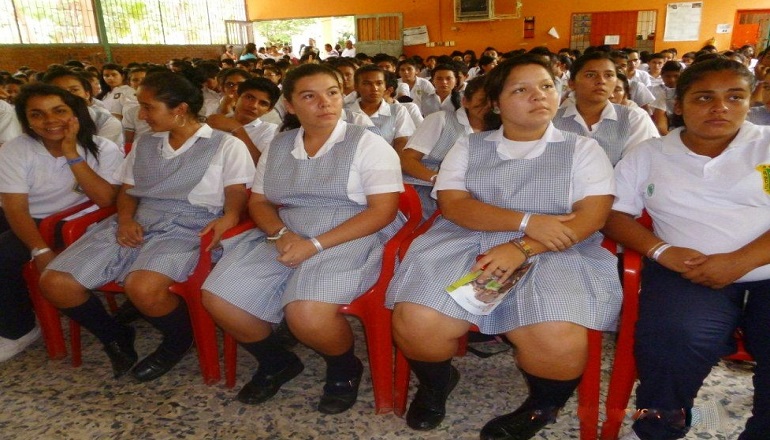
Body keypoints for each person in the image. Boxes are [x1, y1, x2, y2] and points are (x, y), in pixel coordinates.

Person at [386, 54, 621, 438]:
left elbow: (591, 216)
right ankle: (435, 384)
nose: (538, 96)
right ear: (496, 102)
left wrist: (523, 246)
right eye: (521, 89)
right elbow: (455, 205)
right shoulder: (470, 145)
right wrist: (527, 221)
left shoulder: (581, 149)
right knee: (418, 320)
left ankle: (541, 407)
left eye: (546, 86)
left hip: (557, 247)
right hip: (468, 238)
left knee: (557, 335)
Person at [200, 63, 403, 414]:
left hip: (352, 232)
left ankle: (343, 367)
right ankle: (276, 361)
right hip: (288, 231)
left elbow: (382, 212)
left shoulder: (367, 144)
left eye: (333, 93)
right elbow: (260, 201)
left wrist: (316, 245)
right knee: (219, 298)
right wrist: (281, 233)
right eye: (310, 96)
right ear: (290, 106)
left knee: (306, 313)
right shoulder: (280, 145)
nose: (325, 103)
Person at [39, 71, 254, 381]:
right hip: (140, 219)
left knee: (142, 287)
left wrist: (230, 216)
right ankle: (114, 335)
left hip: (190, 225)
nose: (141, 115)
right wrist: (125, 220)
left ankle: (179, 338)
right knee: (55, 282)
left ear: (179, 109)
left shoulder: (225, 145)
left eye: (148, 107)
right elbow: (127, 190)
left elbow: (236, 192)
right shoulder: (145, 143)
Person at [604, 58, 770, 440]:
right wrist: (660, 251)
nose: (720, 108)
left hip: (764, 267)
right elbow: (614, 214)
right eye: (704, 98)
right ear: (678, 104)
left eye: (734, 97)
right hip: (688, 272)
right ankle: (659, 425)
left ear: (750, 100)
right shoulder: (650, 153)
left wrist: (739, 262)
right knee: (674, 336)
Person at [0, 84, 122, 362]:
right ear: (27, 120)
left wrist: (71, 152)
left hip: (66, 221)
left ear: (75, 113)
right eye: (37, 115)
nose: (50, 121)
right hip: (22, 215)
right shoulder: (16, 149)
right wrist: (40, 250)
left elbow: (105, 199)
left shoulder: (103, 148)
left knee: (4, 254)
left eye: (59, 111)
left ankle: (19, 329)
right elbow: (14, 207)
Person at [400, 76, 488, 218]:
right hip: (426, 189)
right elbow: (407, 160)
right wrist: (438, 179)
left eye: (496, 101)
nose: (490, 106)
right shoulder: (441, 119)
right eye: (483, 100)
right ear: (465, 101)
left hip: (473, 193)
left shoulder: (501, 129)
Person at [553, 51, 658, 165]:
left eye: (609, 75)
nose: (601, 81)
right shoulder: (553, 120)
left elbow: (637, 167)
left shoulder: (634, 118)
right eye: (590, 75)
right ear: (571, 83)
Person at [206, 77, 281, 164]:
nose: (254, 106)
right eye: (249, 97)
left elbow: (261, 165)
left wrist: (237, 129)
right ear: (237, 97)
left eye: (263, 103)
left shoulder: (270, 130)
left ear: (269, 109)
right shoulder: (218, 121)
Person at [345, 64, 415, 151]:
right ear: (356, 87)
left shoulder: (397, 111)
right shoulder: (345, 113)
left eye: (379, 83)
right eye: (367, 84)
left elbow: (401, 143)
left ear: (385, 86)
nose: (375, 88)